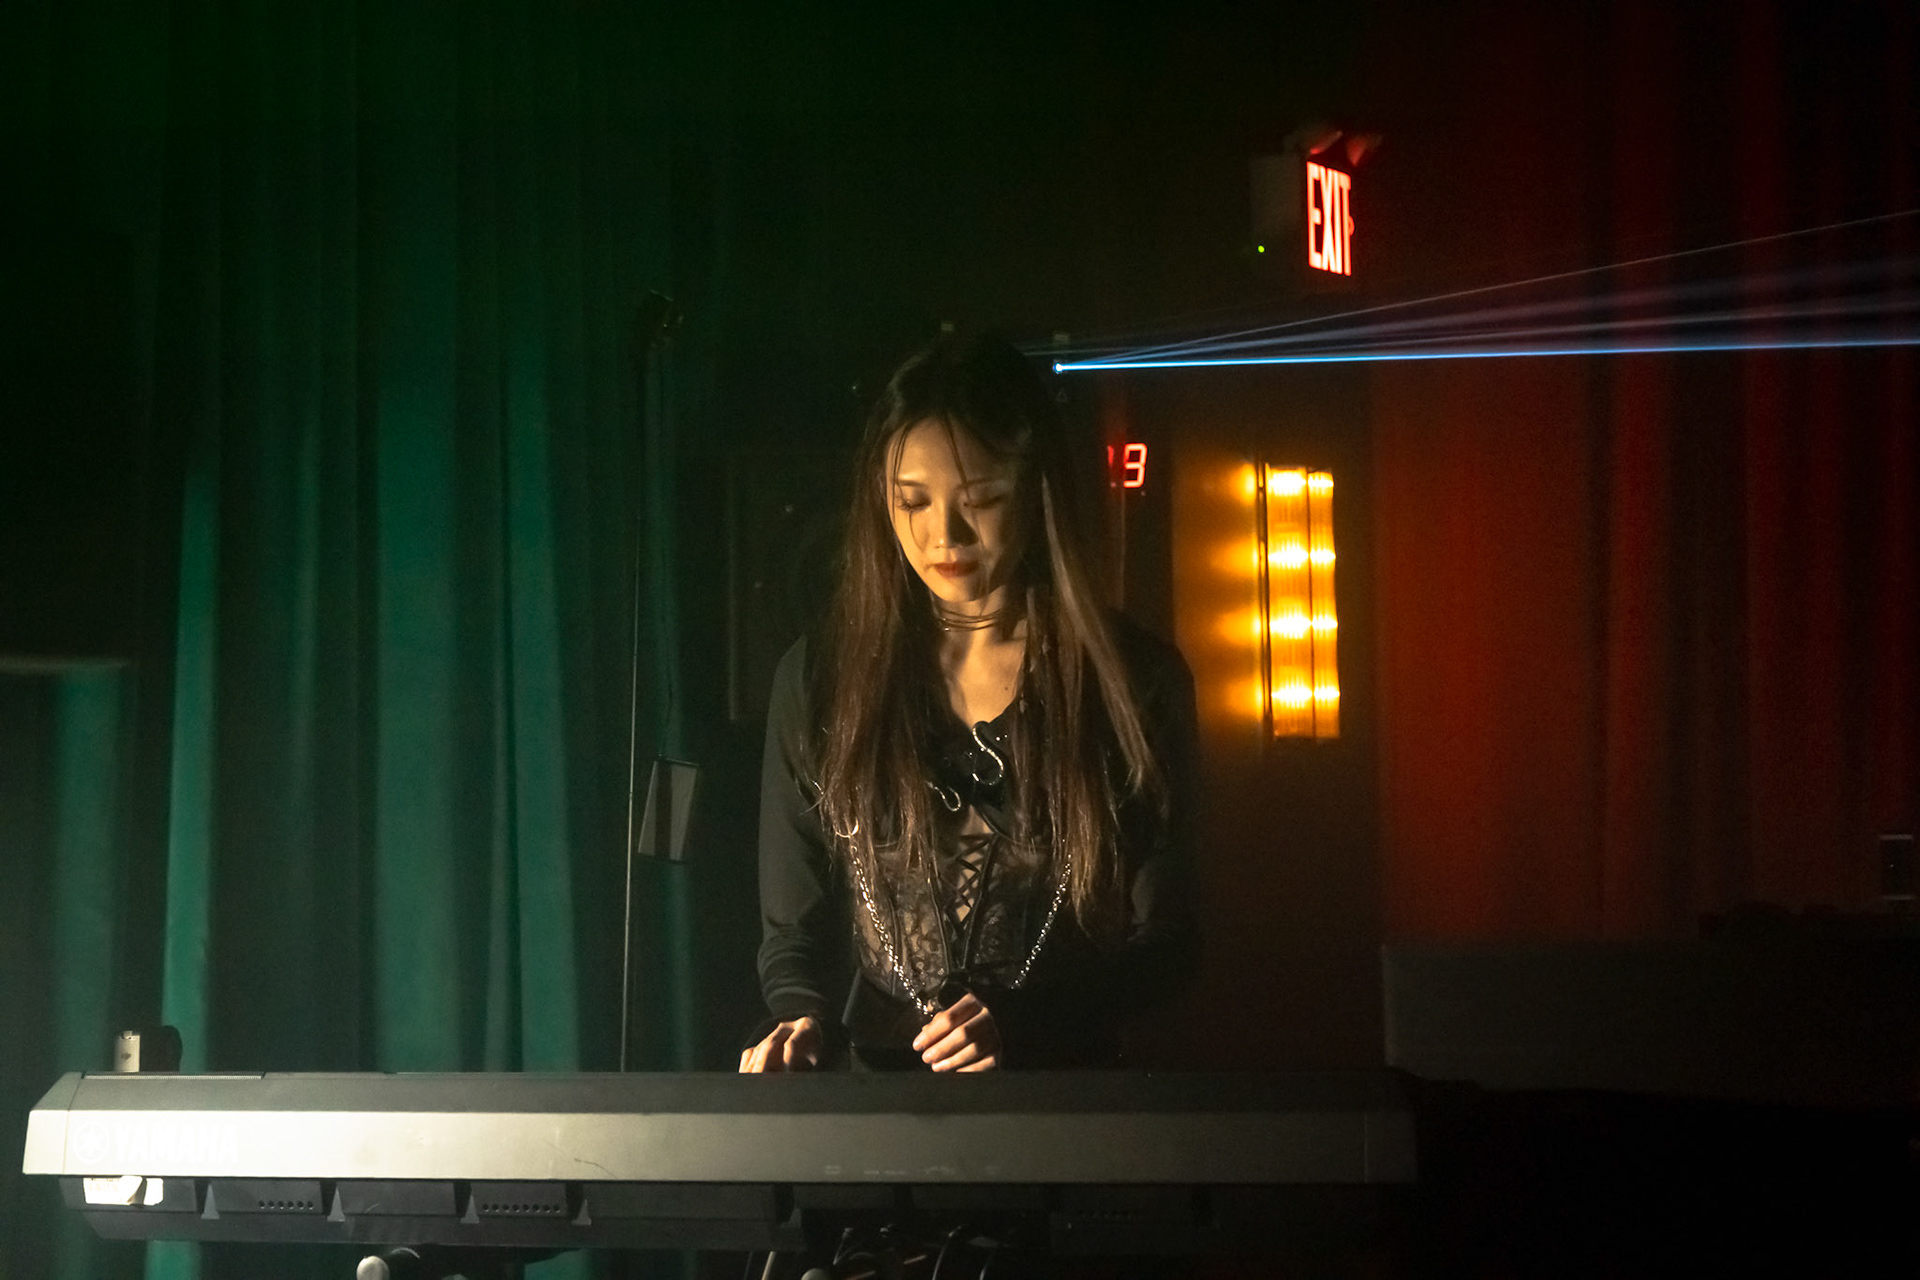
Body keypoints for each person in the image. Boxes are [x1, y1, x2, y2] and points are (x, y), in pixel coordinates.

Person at [739, 333, 1198, 1073]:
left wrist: (1031, 1021)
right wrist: (800, 1022)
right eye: (912, 502)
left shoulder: (1130, 681)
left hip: (1063, 1101)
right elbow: (793, 930)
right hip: (874, 1109)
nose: (943, 536)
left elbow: (1172, 941)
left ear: (1037, 492)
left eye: (981, 500)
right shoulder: (820, 678)